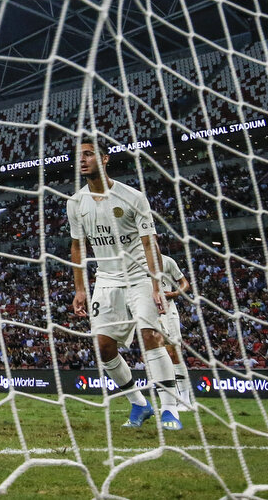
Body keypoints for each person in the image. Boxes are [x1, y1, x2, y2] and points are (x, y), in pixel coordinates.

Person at [68, 139, 181, 430]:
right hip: (105, 279)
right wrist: (80, 289)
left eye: (89, 154)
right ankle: (139, 404)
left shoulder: (133, 197)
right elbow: (77, 247)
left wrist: (157, 284)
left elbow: (149, 243)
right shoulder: (76, 203)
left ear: (104, 159)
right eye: (79, 155)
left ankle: (170, 409)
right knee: (104, 347)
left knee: (150, 336)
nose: (82, 160)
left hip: (140, 275)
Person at [158, 250, 193, 410]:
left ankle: (185, 399)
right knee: (159, 355)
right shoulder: (135, 262)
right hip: (147, 311)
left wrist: (174, 293)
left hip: (168, 309)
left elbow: (185, 283)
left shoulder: (167, 261)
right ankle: (169, 400)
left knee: (174, 352)